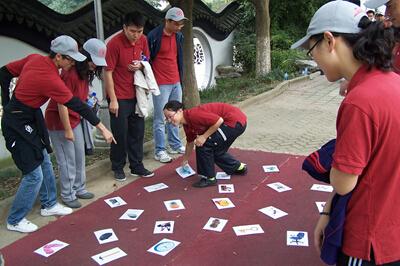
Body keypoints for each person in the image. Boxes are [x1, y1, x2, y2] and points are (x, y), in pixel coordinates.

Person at [291, 1, 400, 265]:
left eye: (311, 49)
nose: (313, 59)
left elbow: (344, 182)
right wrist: (328, 210)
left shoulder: (359, 102)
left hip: (367, 240)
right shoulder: (393, 81)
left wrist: (331, 156)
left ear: (329, 40)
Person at [0, 35, 115, 233]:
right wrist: (102, 127)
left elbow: (4, 72)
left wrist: (7, 101)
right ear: (59, 57)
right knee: (33, 174)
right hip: (17, 122)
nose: (73, 63)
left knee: (45, 160)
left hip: (31, 115)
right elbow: (76, 105)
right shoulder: (51, 78)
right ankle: (15, 218)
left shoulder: (35, 58)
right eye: (70, 59)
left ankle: (49, 204)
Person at [45, 38, 107, 209]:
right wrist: (67, 130)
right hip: (59, 120)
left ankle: (79, 188)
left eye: (98, 63)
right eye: (93, 61)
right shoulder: (69, 73)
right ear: (85, 56)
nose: (95, 65)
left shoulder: (85, 73)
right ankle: (67, 194)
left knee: (79, 155)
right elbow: (61, 103)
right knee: (67, 159)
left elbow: (80, 98)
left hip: (75, 118)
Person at [104, 12, 154, 181]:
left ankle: (136, 166)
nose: (136, 35)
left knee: (137, 132)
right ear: (124, 27)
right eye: (133, 31)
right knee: (120, 133)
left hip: (137, 94)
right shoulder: (114, 44)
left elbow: (147, 59)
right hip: (119, 96)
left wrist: (141, 65)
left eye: (139, 31)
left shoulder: (143, 40)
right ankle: (118, 167)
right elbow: (108, 73)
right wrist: (113, 100)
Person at [163, 101, 247, 188]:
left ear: (180, 111)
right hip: (235, 122)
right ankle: (238, 168)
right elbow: (190, 143)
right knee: (214, 149)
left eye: (170, 116)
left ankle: (209, 178)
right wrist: (185, 160)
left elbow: (219, 120)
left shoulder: (193, 115)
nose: (169, 120)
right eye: (166, 118)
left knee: (203, 144)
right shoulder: (187, 124)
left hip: (234, 122)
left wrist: (204, 137)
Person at [147, 7, 187, 163]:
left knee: (176, 114)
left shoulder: (179, 37)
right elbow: (147, 59)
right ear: (167, 21)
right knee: (160, 118)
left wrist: (180, 80)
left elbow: (177, 58)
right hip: (160, 83)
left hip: (176, 81)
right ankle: (160, 150)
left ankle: (175, 144)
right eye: (176, 24)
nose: (179, 27)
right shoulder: (154, 36)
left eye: (181, 24)